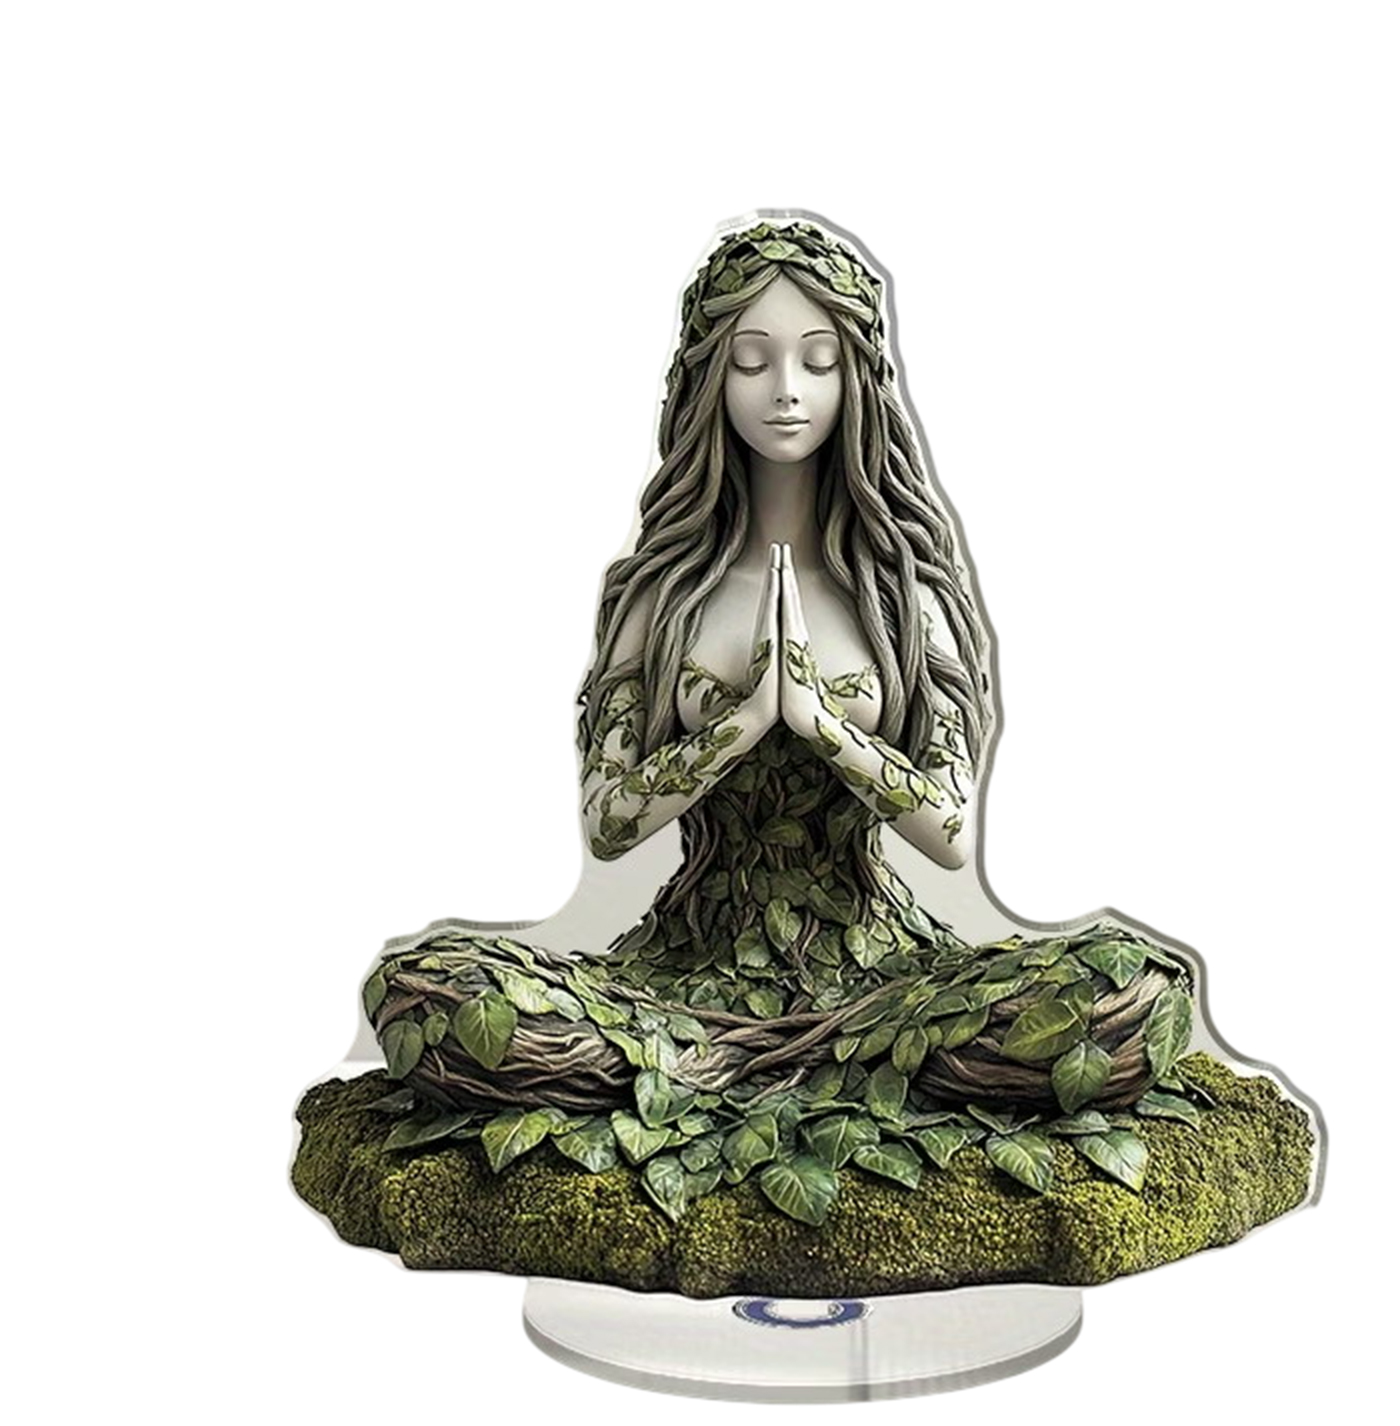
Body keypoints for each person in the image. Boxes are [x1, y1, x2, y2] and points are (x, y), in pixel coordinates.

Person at [361, 219, 1201, 1210]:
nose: (786, 390)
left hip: (883, 979)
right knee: (429, 987)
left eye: (818, 360)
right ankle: (756, 1061)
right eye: (752, 361)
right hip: (679, 981)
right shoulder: (660, 596)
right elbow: (607, 824)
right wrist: (740, 723)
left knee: (1130, 987)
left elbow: (949, 833)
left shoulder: (904, 596)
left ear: (859, 380)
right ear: (709, 379)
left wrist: (819, 724)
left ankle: (777, 1063)